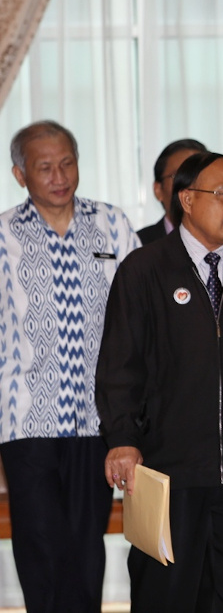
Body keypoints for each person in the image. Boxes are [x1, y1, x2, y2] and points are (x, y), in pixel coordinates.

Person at [95, 151, 223, 612]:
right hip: (169, 473)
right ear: (186, 199)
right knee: (167, 597)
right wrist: (123, 439)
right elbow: (120, 364)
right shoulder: (145, 270)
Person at [0, 120, 141, 612]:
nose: (59, 176)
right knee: (40, 542)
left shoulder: (112, 224)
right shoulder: (2, 234)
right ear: (20, 175)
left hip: (98, 420)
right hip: (25, 419)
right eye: (45, 167)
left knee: (86, 544)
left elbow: (142, 311)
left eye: (67, 163)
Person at [136, 138, 207, 244]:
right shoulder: (138, 243)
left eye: (199, 175)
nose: (190, 184)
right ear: (158, 190)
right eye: (179, 176)